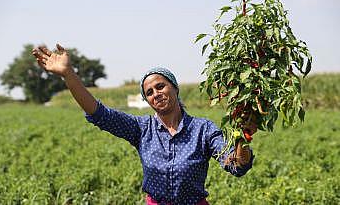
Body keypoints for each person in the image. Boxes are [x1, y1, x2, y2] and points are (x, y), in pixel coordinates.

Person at [32, 44, 256, 205]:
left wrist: (242, 137)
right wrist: (68, 74)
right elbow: (99, 113)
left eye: (161, 86)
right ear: (147, 100)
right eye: (149, 92)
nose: (156, 93)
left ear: (175, 89)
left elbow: (236, 165)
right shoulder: (141, 129)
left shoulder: (203, 129)